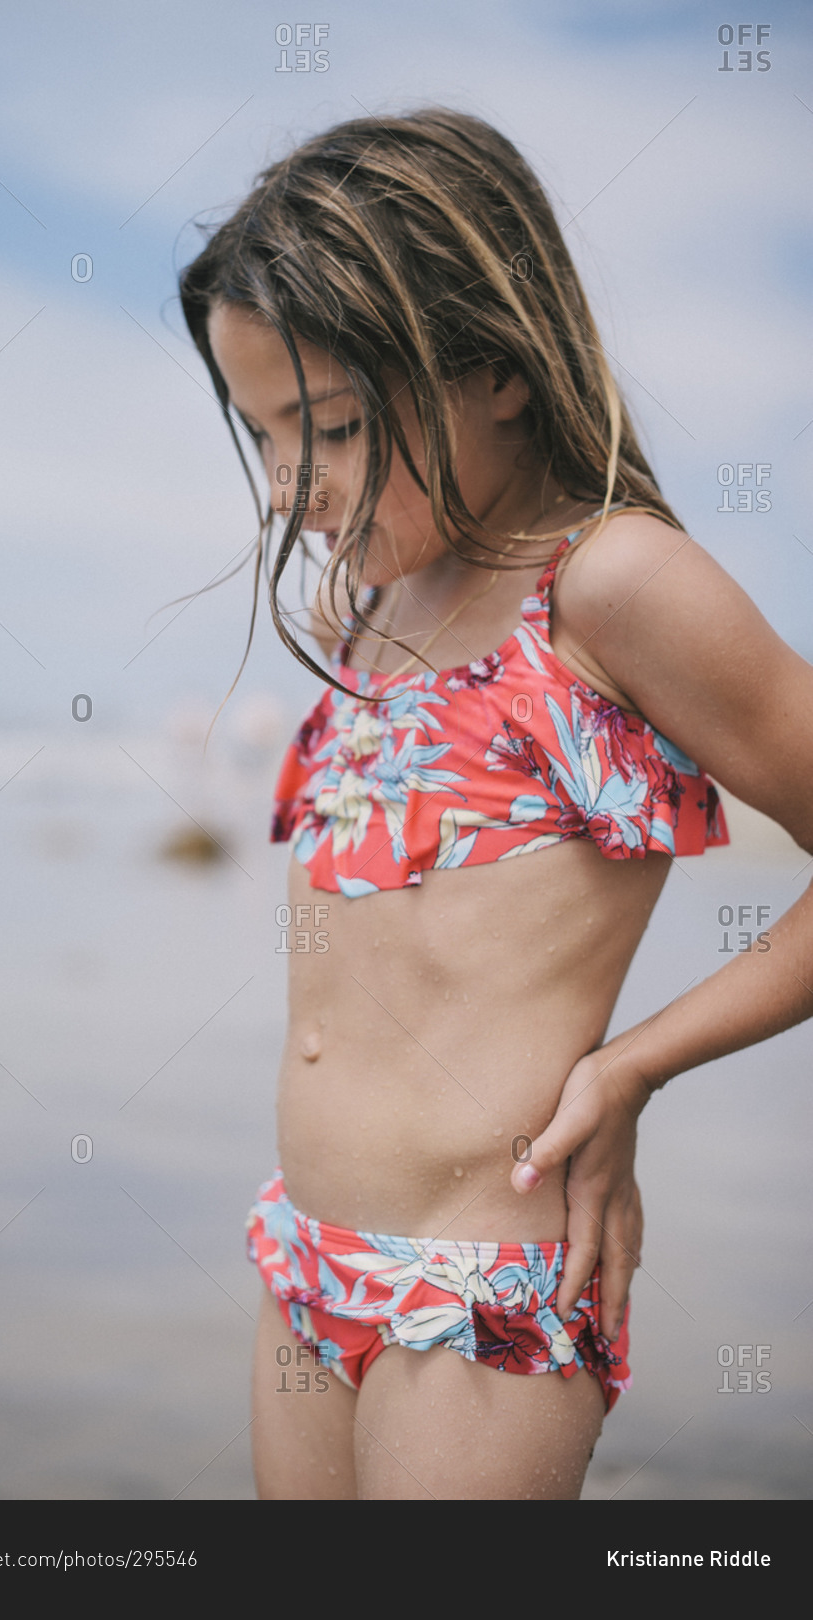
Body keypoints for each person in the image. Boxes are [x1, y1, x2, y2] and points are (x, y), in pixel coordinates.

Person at [178, 108, 813, 1499]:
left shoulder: (609, 589)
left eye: (333, 427)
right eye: (265, 437)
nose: (294, 488)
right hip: (303, 1255)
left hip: (483, 1285)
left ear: (495, 371)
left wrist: (632, 1065)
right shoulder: (367, 602)